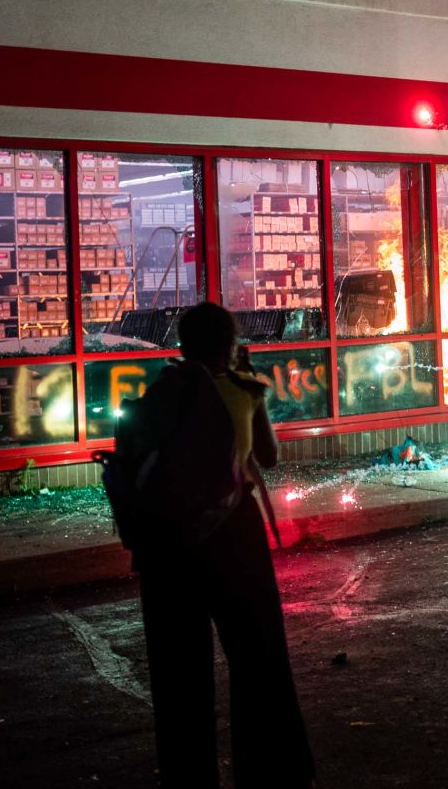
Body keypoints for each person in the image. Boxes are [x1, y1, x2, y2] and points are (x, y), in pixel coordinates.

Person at [134, 302, 314, 789]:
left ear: (183, 344)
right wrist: (248, 392)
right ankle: (267, 772)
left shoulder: (162, 392)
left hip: (167, 548)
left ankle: (188, 776)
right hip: (233, 536)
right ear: (230, 345)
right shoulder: (245, 390)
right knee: (257, 660)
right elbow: (270, 458)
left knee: (179, 677)